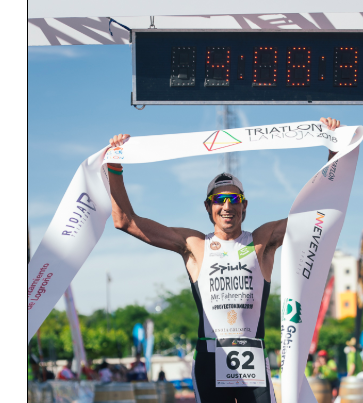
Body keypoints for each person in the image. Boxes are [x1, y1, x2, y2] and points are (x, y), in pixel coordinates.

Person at [106, 117, 342, 403]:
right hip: (209, 357)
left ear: (244, 205)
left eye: (234, 198)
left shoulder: (261, 241)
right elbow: (125, 221)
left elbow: (316, 213)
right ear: (208, 206)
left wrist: (335, 149)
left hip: (252, 357)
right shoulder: (195, 245)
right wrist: (115, 167)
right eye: (219, 200)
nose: (227, 206)